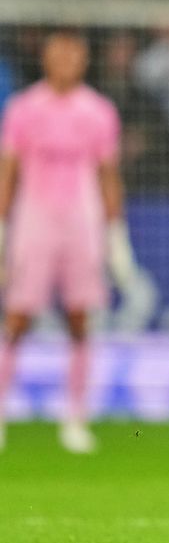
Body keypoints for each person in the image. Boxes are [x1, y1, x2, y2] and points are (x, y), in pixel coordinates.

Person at [0, 30, 138, 453]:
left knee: (80, 319)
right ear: (46, 59)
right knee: (18, 318)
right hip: (33, 222)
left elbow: (107, 174)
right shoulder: (23, 108)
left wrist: (116, 233)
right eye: (58, 54)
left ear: (83, 61)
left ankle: (75, 418)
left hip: (82, 223)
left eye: (73, 55)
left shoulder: (98, 111)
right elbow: (8, 169)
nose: (65, 62)